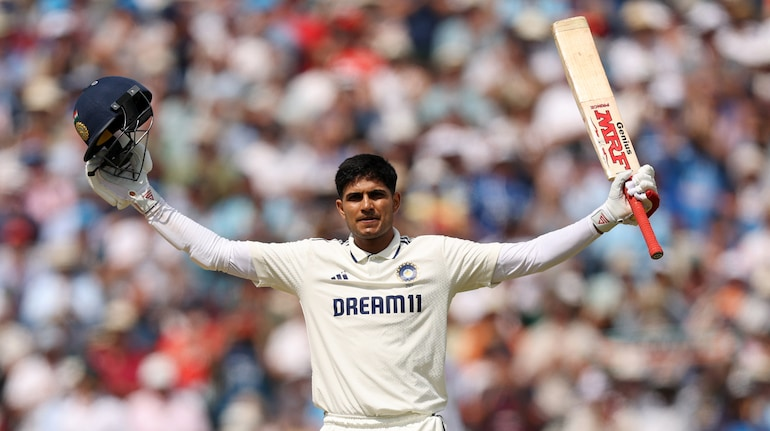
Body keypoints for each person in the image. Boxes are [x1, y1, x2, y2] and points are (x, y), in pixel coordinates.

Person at [72, 76, 660, 431]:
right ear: (340, 208)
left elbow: (527, 257)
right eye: (355, 198)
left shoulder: (437, 257)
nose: (367, 206)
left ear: (396, 201)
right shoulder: (311, 263)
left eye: (377, 195)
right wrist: (148, 202)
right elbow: (218, 253)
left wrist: (604, 216)